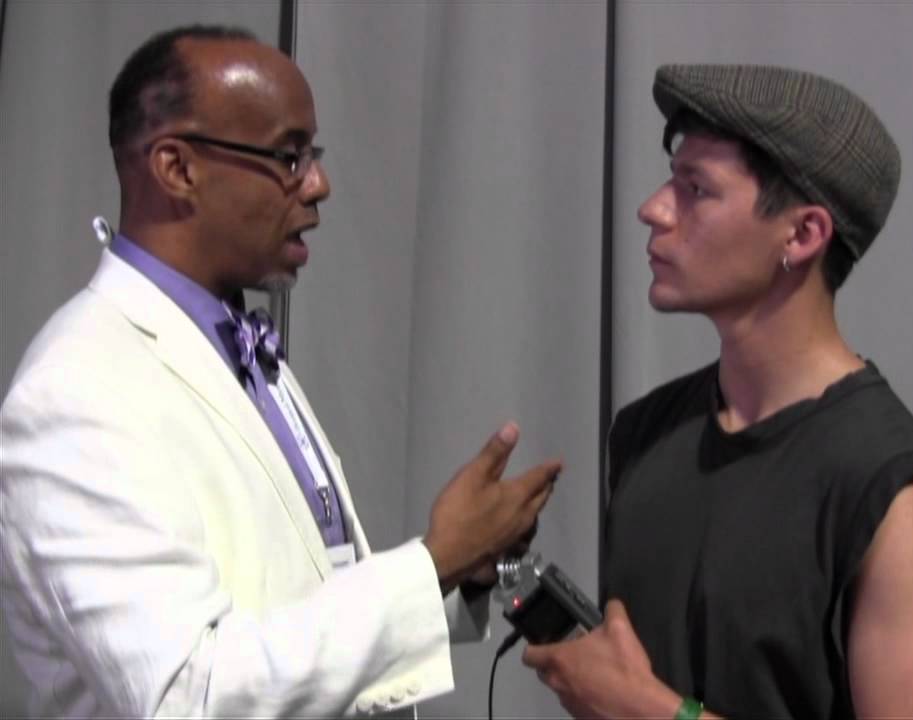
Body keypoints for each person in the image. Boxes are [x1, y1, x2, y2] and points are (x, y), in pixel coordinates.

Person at [0, 25, 562, 718]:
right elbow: (189, 695)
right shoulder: (75, 392)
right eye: (289, 157)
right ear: (177, 168)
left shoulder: (235, 345)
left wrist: (456, 574)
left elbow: (297, 604)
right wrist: (431, 564)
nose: (319, 185)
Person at [522, 64, 913, 719]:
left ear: (803, 235)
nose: (653, 209)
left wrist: (653, 712)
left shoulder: (886, 488)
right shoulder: (645, 434)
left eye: (696, 189)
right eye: (672, 179)